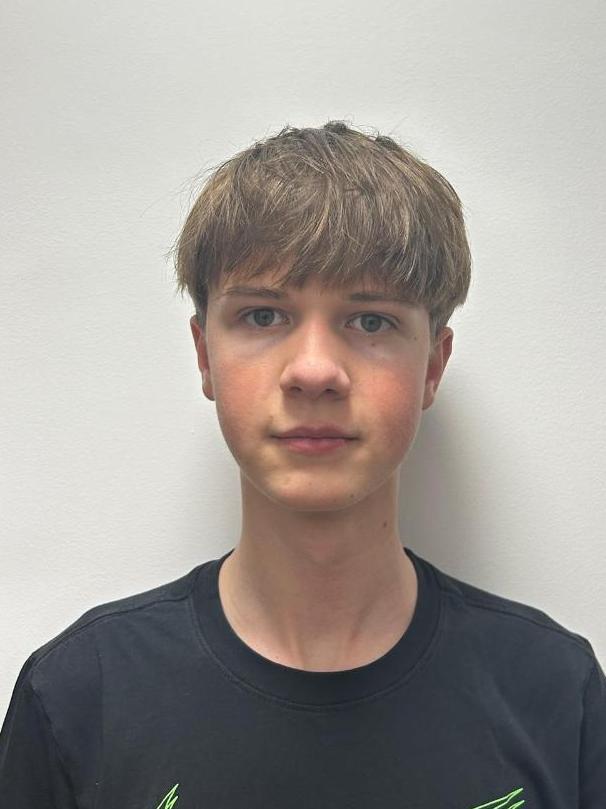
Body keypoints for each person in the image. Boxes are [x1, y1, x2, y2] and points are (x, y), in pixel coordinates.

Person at [1, 121, 604, 808]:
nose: (314, 370)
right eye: (263, 316)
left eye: (370, 321)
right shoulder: (80, 696)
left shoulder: (555, 693)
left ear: (433, 366)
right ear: (204, 356)